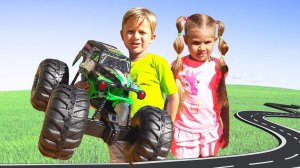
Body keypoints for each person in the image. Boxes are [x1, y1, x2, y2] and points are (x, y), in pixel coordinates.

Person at [76, 7, 179, 163]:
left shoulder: (158, 63)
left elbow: (172, 96)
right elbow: (105, 98)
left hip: (149, 132)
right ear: (122, 35)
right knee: (118, 162)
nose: (136, 37)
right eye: (130, 31)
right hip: (117, 130)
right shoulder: (112, 66)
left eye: (142, 32)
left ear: (152, 37)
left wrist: (166, 130)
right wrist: (83, 91)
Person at [170, 14, 229, 159]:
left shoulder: (218, 67)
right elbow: (170, 101)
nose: (202, 48)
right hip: (185, 134)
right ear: (186, 40)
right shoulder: (178, 67)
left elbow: (224, 101)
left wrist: (227, 129)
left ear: (215, 40)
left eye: (207, 42)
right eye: (196, 42)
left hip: (210, 133)